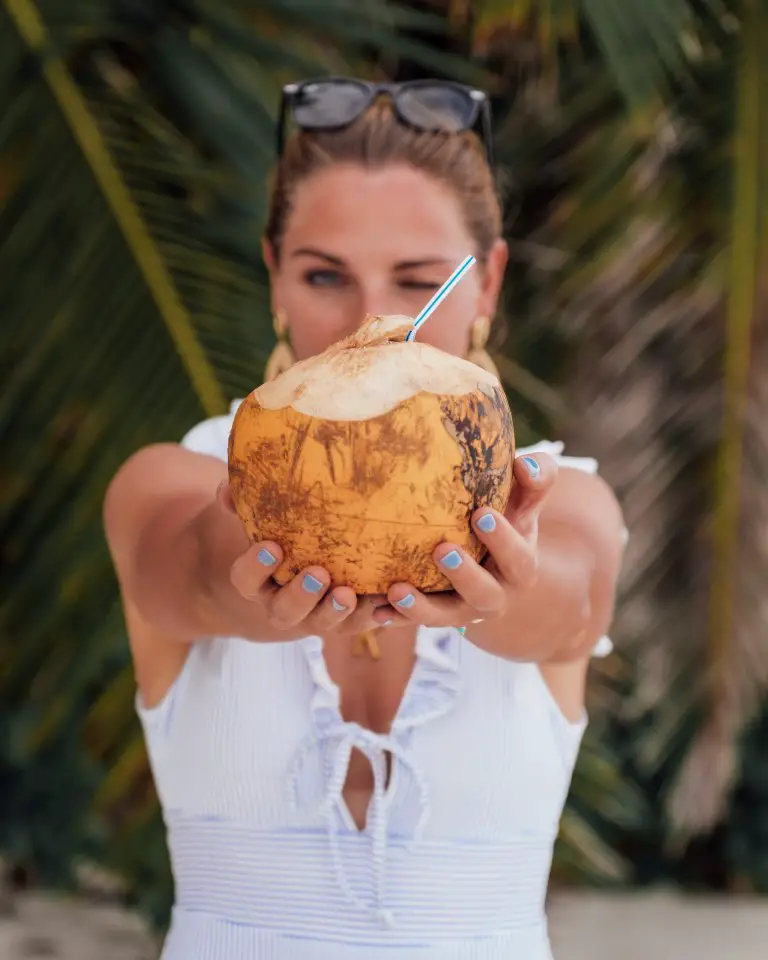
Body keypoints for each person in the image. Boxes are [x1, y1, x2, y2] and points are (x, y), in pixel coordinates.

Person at [104, 78, 626, 960]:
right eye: (323, 275)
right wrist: (272, 526)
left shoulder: (556, 496)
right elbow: (185, 571)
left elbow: (572, 604)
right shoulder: (174, 480)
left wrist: (507, 576)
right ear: (274, 273)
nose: (373, 322)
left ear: (487, 280)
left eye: (420, 281)